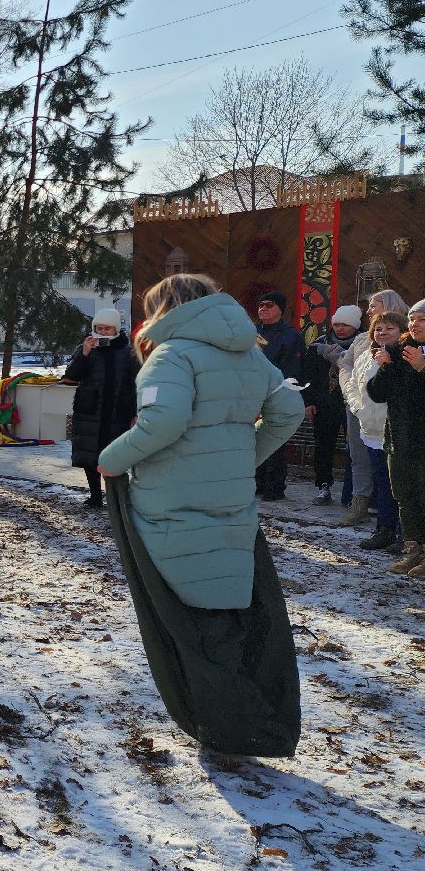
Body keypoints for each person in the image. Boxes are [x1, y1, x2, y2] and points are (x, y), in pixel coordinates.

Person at [97, 273, 304, 757]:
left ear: (166, 308)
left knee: (189, 613)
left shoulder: (174, 355)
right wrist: (241, 456)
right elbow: (289, 410)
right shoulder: (250, 354)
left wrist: (112, 458)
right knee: (223, 603)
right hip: (230, 496)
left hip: (171, 496)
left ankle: (222, 718)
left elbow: (162, 421)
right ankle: (238, 713)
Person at [322, 289, 408, 527]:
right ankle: (359, 505)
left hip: (390, 411)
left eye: (373, 305)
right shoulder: (363, 339)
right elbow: (346, 365)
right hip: (358, 408)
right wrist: (352, 396)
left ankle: (395, 519)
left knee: (391, 463)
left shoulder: (405, 337)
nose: (368, 311)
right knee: (359, 457)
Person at [367, 299, 425, 577]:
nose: (415, 325)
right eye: (412, 319)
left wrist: (422, 369)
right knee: (405, 496)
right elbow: (377, 394)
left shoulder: (417, 358)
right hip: (399, 439)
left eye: (422, 320)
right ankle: (414, 551)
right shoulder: (400, 351)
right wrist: (386, 366)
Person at [63, 307, 139, 508]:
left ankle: (116, 498)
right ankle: (95, 496)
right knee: (89, 456)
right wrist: (85, 354)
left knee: (114, 456)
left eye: (107, 328)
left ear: (116, 329)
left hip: (117, 411)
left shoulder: (127, 351)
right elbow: (71, 376)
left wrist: (134, 411)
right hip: (90, 410)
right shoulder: (86, 349)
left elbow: (135, 383)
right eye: (99, 328)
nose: (103, 332)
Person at [349, 310, 403, 551]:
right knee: (382, 483)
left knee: (400, 486)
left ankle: (405, 535)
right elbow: (353, 383)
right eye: (378, 329)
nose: (382, 333)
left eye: (389, 328)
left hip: (396, 431)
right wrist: (357, 407)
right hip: (370, 430)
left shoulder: (404, 356)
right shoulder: (366, 356)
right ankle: (385, 529)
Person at [300, 306, 360, 506]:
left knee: (354, 449)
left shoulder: (363, 344)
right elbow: (307, 376)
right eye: (337, 324)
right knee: (323, 447)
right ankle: (323, 486)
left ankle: (353, 492)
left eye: (345, 325)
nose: (340, 329)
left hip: (352, 403)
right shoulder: (318, 346)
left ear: (355, 326)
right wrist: (308, 402)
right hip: (324, 403)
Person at [253, 290, 304, 501]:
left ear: (280, 309)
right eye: (261, 305)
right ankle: (257, 482)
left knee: (274, 441)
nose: (263, 308)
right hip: (252, 393)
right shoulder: (252, 332)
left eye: (269, 305)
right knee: (253, 439)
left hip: (277, 392)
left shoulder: (290, 335)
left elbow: (292, 368)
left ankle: (275, 486)